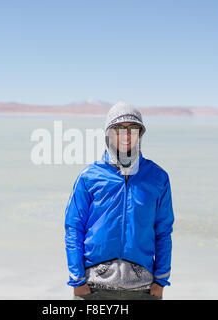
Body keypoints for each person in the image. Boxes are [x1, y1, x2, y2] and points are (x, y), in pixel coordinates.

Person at [64, 101, 175, 300]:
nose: (126, 134)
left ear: (140, 133)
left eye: (133, 128)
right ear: (109, 133)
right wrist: (78, 280)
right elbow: (73, 227)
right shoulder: (89, 177)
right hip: (94, 287)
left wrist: (161, 280)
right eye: (118, 128)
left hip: (143, 289)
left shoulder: (158, 178)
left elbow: (164, 231)